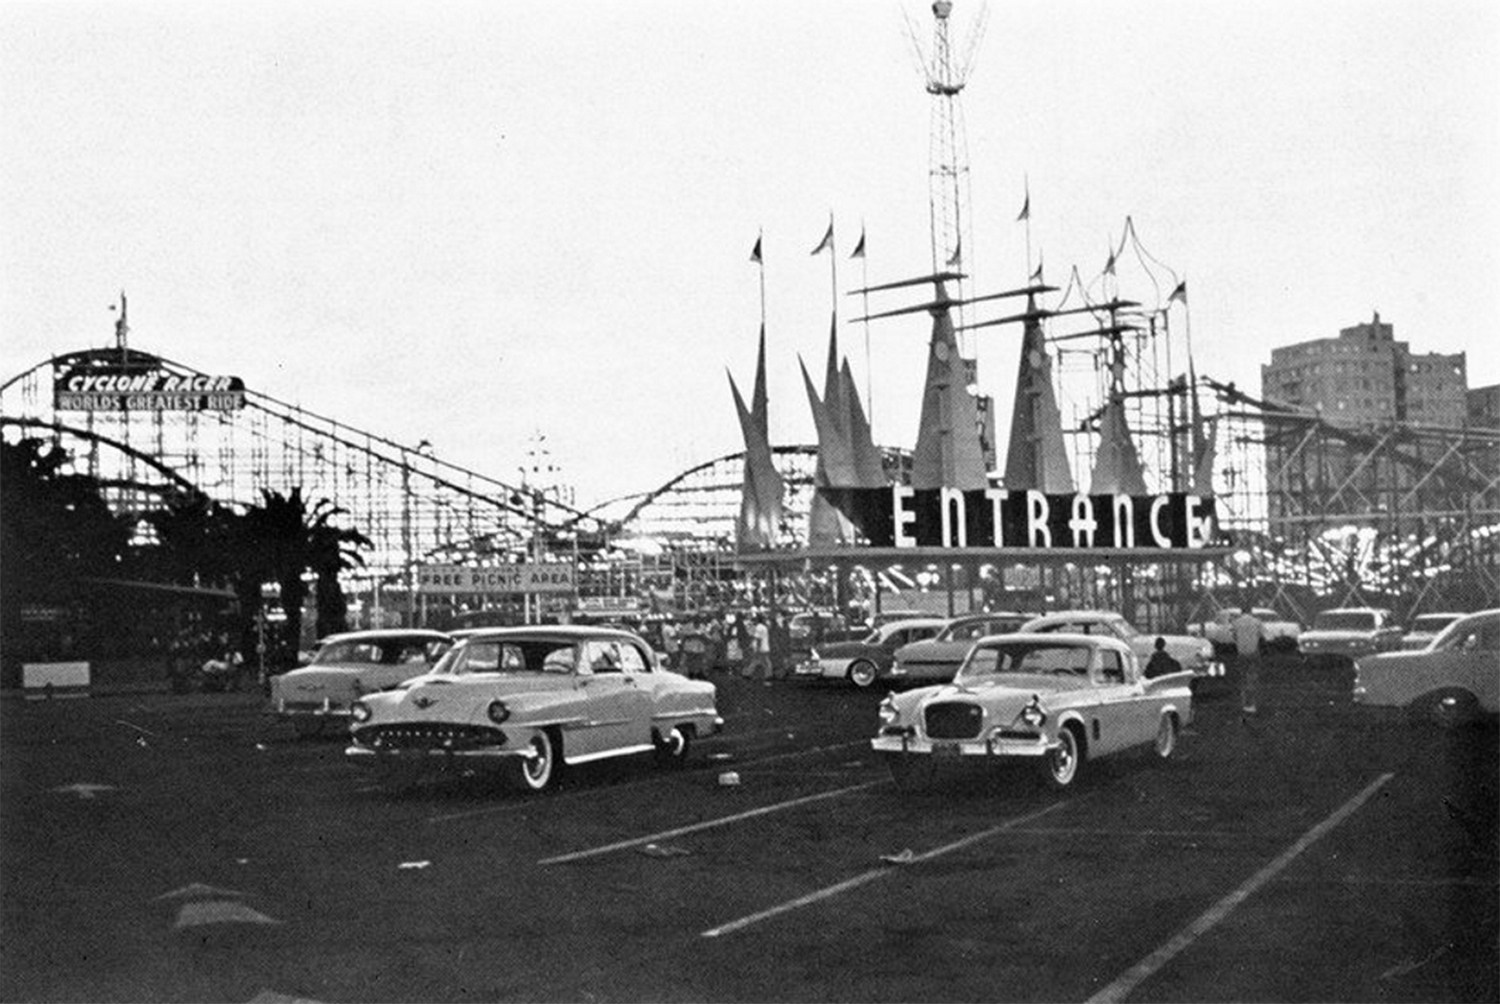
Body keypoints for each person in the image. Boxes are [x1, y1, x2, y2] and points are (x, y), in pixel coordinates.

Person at [1232, 605, 1265, 715]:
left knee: (1242, 677)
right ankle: (1252, 704)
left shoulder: (1236, 622)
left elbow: (1234, 636)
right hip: (1254, 652)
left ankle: (1244, 703)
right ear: (1251, 611)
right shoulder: (1257, 621)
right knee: (1253, 677)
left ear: (1241, 611)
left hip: (1241, 652)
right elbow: (1262, 636)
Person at [746, 614, 773, 683]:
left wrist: (757, 648)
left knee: (757, 661)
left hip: (761, 648)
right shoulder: (764, 627)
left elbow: (758, 639)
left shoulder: (759, 627)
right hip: (765, 647)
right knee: (765, 662)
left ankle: (749, 673)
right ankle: (768, 675)